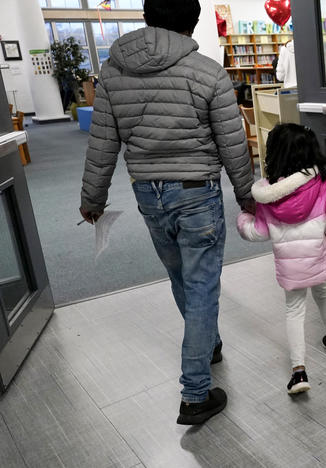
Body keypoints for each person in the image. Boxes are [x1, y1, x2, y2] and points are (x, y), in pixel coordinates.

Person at [79, 0, 255, 425]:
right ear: (191, 24)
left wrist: (93, 200)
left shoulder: (114, 73)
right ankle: (195, 393)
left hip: (148, 196)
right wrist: (247, 193)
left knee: (181, 276)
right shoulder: (208, 71)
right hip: (197, 194)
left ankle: (208, 342)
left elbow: (102, 142)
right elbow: (233, 142)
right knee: (201, 285)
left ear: (146, 17)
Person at [236, 123, 326, 394]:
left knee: (294, 311)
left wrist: (243, 220)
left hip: (291, 267)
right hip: (318, 258)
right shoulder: (325, 187)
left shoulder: (268, 196)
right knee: (324, 294)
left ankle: (299, 372)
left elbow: (258, 232)